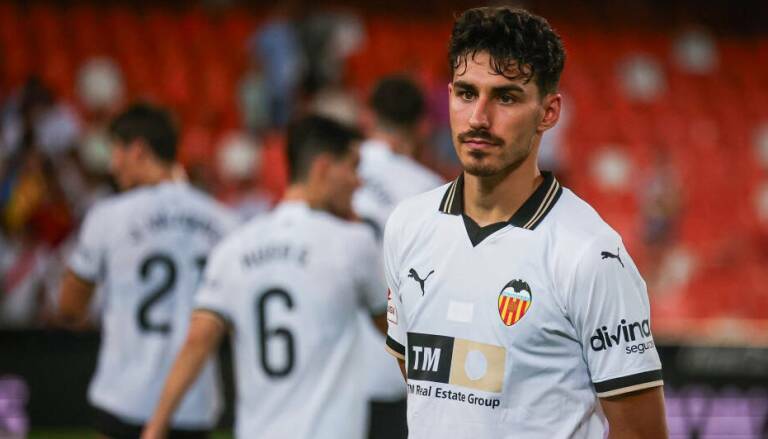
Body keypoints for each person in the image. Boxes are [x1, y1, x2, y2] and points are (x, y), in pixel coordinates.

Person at [383, 7, 668, 438]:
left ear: (549, 112)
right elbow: (428, 388)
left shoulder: (590, 255)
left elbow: (642, 433)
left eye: (506, 97)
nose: (479, 117)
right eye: (465, 93)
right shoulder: (408, 226)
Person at [141, 115, 388, 439]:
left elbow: (197, 342)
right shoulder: (354, 244)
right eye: (352, 167)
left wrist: (155, 428)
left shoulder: (233, 249)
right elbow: (397, 337)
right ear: (323, 167)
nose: (358, 182)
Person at [58, 103, 238, 439]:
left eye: (116, 151)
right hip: (194, 404)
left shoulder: (108, 217)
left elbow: (69, 306)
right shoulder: (224, 221)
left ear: (137, 150)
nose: (113, 165)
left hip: (123, 397)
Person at [353, 75, 443, 439]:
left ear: (367, 117)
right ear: (423, 126)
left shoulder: (330, 170)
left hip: (324, 367)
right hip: (393, 369)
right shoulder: (431, 190)